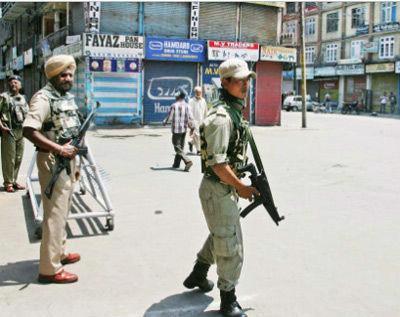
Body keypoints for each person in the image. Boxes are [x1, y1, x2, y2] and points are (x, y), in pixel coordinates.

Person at [183, 58, 259, 317]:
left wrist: (238, 184)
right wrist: (242, 187)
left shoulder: (233, 110)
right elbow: (217, 164)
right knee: (231, 246)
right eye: (239, 80)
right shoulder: (221, 117)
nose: (245, 84)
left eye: (247, 79)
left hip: (224, 187)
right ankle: (228, 300)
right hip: (218, 187)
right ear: (225, 82)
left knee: (221, 235)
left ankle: (198, 273)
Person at [23, 55, 82, 284]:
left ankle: (59, 252)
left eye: (69, 74)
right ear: (53, 76)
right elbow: (29, 129)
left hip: (67, 161)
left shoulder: (63, 97)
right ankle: (50, 269)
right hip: (52, 161)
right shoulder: (43, 97)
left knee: (62, 211)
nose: (67, 78)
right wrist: (58, 149)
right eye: (62, 75)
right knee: (54, 215)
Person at [0, 75, 29, 192]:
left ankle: (14, 180)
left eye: (16, 82)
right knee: (9, 159)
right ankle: (8, 183)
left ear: (20, 85)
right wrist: (1, 126)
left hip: (21, 132)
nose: (13, 84)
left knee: (18, 157)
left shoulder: (23, 98)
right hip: (9, 131)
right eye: (11, 83)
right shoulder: (4, 97)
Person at [163, 90, 194, 172]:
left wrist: (165, 122)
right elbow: (191, 118)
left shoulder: (174, 105)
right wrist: (192, 128)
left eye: (176, 96)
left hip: (176, 130)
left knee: (177, 147)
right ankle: (176, 164)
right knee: (181, 147)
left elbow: (169, 118)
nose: (175, 97)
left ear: (178, 96)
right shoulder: (188, 106)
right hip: (184, 130)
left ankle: (187, 161)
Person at [188, 86, 208, 155]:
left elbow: (205, 111)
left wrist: (206, 120)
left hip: (202, 121)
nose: (199, 94)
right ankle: (198, 150)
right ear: (195, 92)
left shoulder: (203, 101)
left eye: (200, 92)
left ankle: (191, 142)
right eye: (197, 92)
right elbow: (189, 112)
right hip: (194, 121)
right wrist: (190, 122)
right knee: (197, 135)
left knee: (201, 135)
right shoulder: (191, 101)